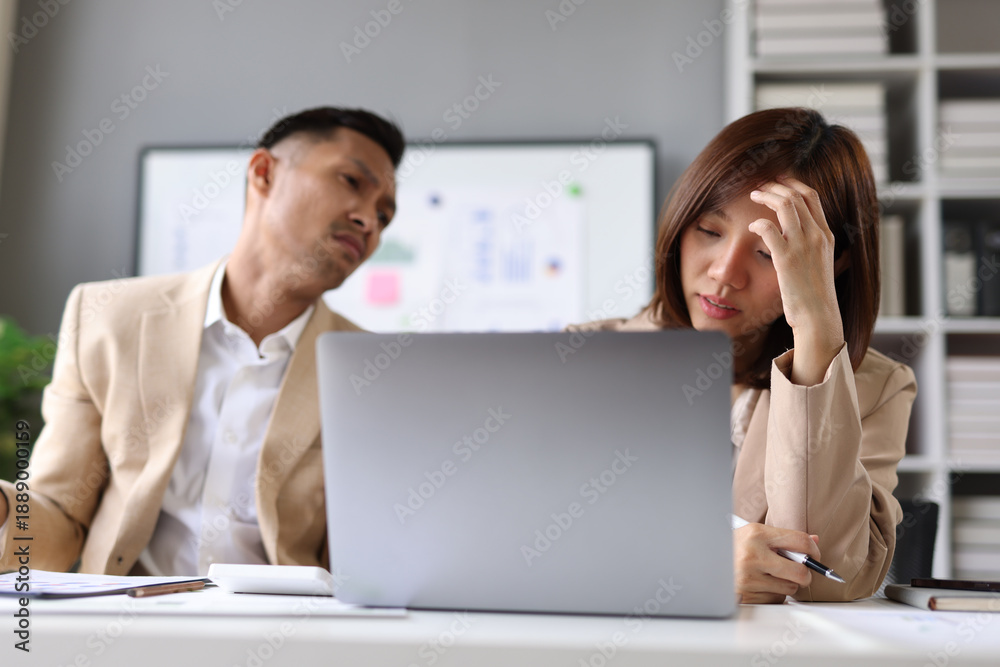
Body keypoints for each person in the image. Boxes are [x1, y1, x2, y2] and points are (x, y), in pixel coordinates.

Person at [0, 106, 404, 576]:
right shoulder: (108, 318)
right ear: (264, 172)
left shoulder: (374, 370)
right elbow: (58, 514)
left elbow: (366, 565)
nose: (369, 221)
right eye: (351, 181)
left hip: (286, 622)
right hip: (123, 615)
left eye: (384, 215)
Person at [571, 107, 917, 603]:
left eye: (768, 252)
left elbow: (825, 580)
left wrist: (816, 334)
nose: (725, 273)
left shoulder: (876, 387)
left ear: (830, 264)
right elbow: (542, 543)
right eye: (709, 232)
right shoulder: (583, 358)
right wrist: (699, 566)